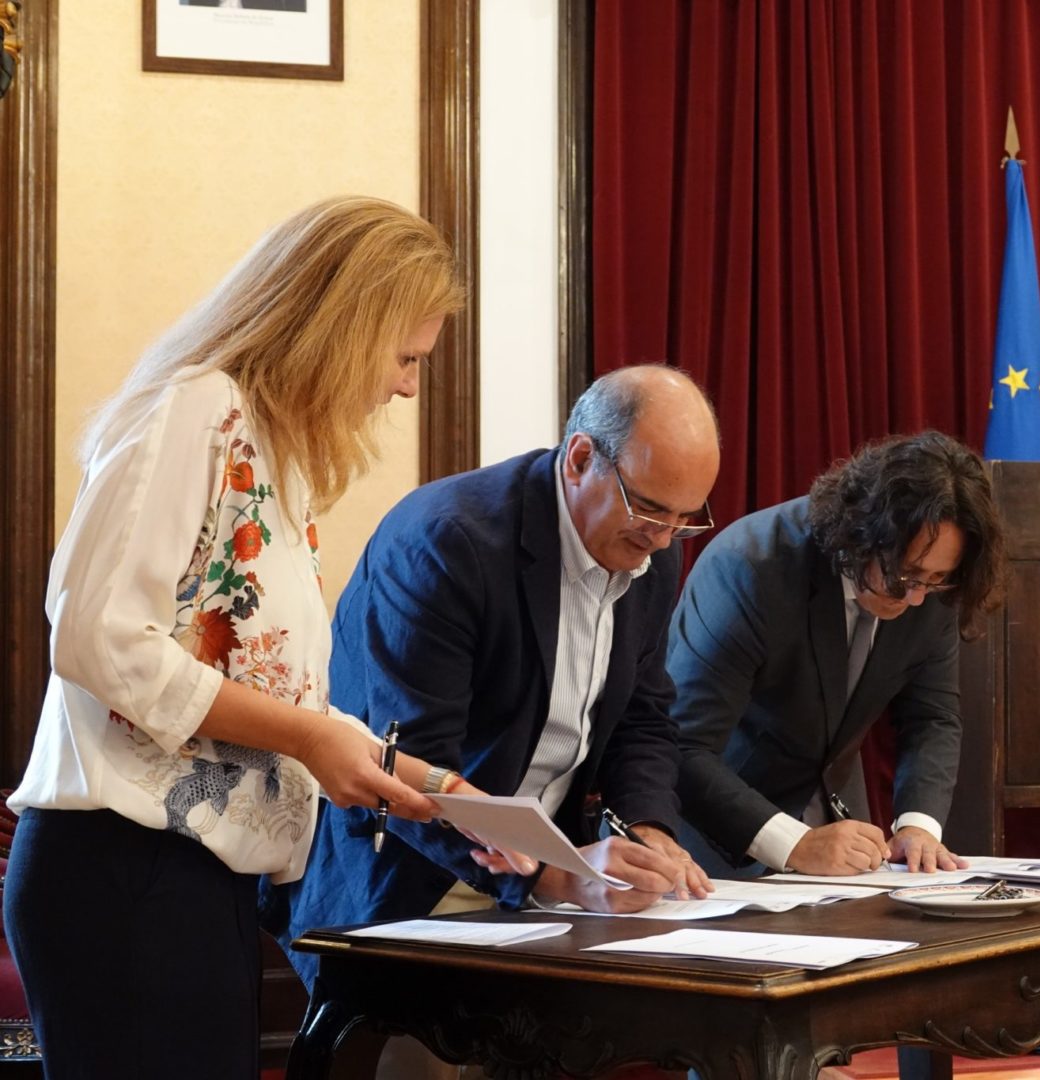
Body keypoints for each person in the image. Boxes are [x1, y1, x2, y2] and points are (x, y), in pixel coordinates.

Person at [3, 196, 458, 1079]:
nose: (408, 387)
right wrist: (311, 739)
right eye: (404, 357)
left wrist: (432, 785)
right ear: (341, 328)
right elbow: (97, 636)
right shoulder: (195, 409)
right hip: (122, 869)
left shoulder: (272, 454)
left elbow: (270, 697)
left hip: (192, 878)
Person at [266, 365, 721, 1005]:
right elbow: (409, 766)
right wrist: (554, 877)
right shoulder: (448, 540)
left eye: (685, 518)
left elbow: (642, 717)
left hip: (552, 876)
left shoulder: (651, 552)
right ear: (580, 459)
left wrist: (649, 832)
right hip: (413, 873)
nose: (664, 538)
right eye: (648, 508)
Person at [670, 431, 1005, 878]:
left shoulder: (931, 584)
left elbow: (932, 717)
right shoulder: (750, 568)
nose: (915, 598)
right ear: (862, 533)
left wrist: (918, 827)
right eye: (904, 576)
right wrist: (795, 843)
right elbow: (684, 745)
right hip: (716, 846)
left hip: (841, 845)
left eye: (936, 580)